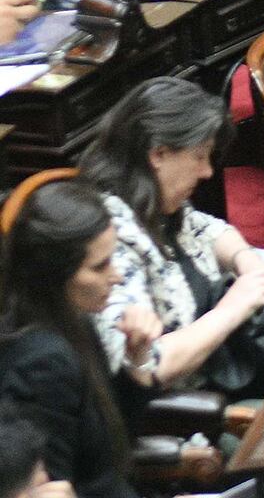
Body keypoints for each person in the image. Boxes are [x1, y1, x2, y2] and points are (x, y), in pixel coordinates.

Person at [76, 78, 264, 403]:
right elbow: (144, 365)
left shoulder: (157, 204)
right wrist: (233, 309)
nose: (207, 172)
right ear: (158, 154)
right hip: (195, 417)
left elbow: (208, 229)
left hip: (231, 376)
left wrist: (247, 260)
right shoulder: (109, 241)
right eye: (199, 157)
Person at [0, 180, 140, 498]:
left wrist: (137, 362)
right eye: (99, 266)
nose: (116, 276)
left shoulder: (75, 323)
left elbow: (109, 449)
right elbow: (62, 489)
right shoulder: (42, 363)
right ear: (55, 275)